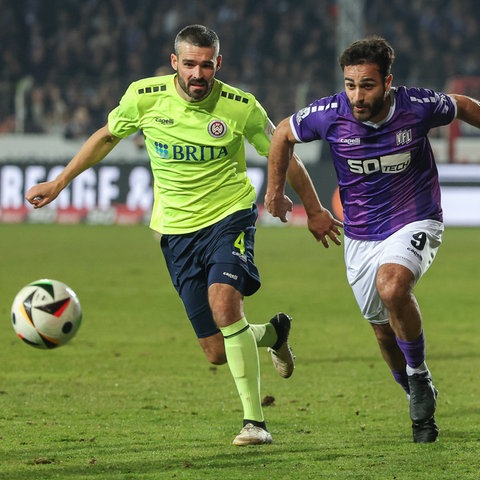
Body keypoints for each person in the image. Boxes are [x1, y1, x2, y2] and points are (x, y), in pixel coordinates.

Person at [25, 24, 333, 446]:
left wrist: (313, 209)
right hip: (176, 232)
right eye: (189, 64)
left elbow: (283, 150)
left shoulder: (241, 107)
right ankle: (274, 334)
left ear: (218, 64)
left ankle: (255, 423)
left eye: (206, 65)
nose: (198, 73)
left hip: (230, 217)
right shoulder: (144, 97)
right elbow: (106, 137)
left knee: (226, 306)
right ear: (175, 63)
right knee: (216, 350)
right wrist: (59, 183)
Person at [265, 35, 480, 443]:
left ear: (387, 82)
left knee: (392, 285)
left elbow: (464, 105)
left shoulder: (416, 106)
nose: (356, 96)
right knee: (383, 332)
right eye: (350, 84)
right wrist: (277, 193)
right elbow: (281, 134)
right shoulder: (330, 114)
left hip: (416, 219)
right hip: (361, 236)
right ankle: (417, 393)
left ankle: (418, 376)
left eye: (366, 85)